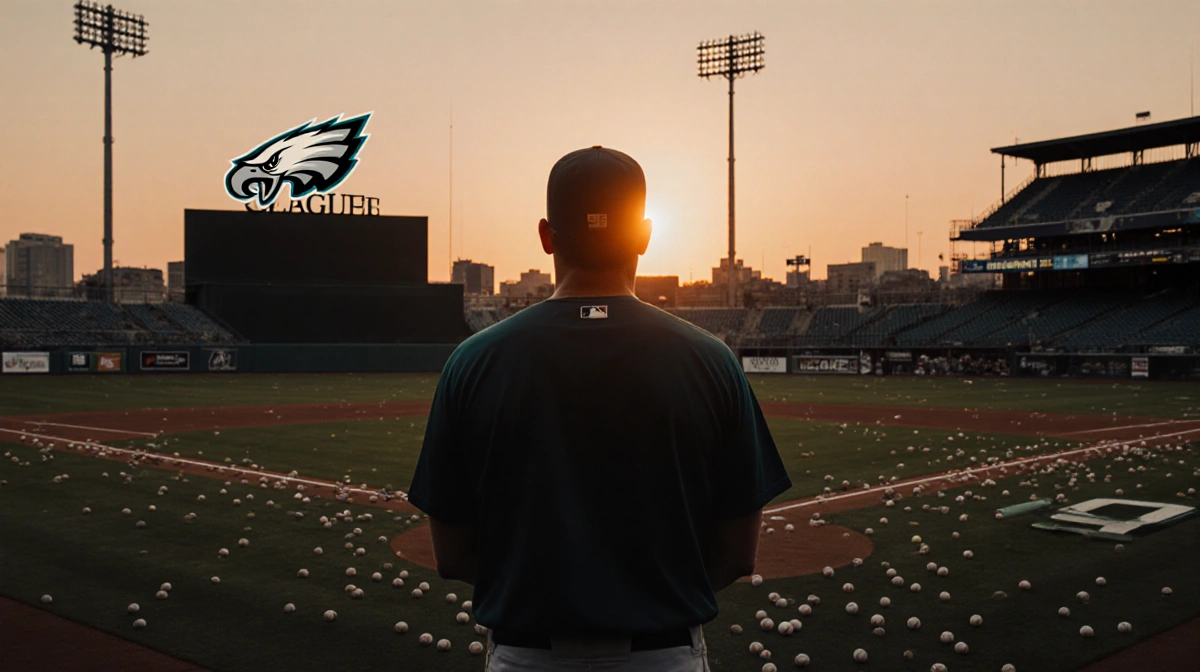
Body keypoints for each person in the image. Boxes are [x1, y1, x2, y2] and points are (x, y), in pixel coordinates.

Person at [407, 145, 791, 671]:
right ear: (644, 236)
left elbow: (452, 557)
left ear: (546, 236)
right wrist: (648, 595)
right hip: (665, 657)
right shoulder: (712, 361)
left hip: (525, 657)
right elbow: (737, 556)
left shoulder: (472, 362)